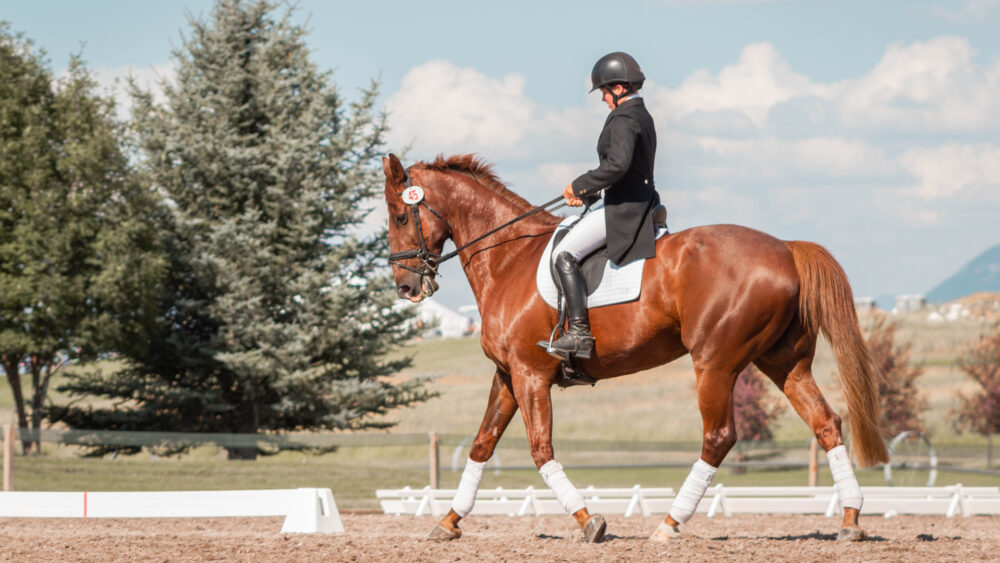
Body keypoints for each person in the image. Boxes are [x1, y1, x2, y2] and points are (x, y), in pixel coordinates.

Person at [543, 51, 661, 360]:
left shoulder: (624, 117)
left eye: (605, 91)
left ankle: (579, 333)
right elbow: (628, 170)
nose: (603, 98)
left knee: (563, 253)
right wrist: (590, 194)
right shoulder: (641, 114)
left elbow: (617, 166)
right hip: (635, 198)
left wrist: (579, 185)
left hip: (624, 209)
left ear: (619, 88)